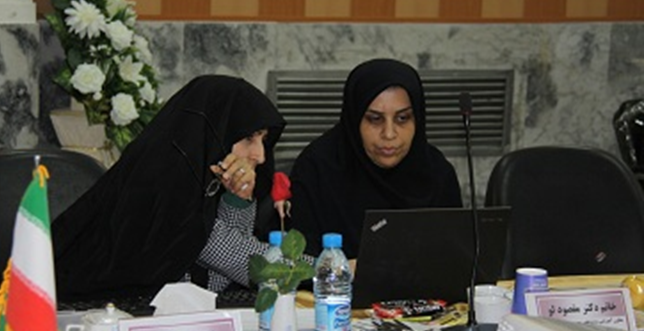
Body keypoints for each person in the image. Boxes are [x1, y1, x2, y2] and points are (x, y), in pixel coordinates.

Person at [53, 75, 287, 302]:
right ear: (217, 131)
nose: (260, 156)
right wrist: (308, 269)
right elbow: (251, 265)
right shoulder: (163, 181)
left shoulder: (207, 181)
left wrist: (237, 198)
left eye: (263, 140)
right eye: (249, 138)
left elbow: (219, 282)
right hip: (85, 313)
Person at [289, 58, 462, 257]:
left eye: (402, 118)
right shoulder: (316, 170)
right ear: (354, 119)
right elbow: (295, 262)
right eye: (375, 119)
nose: (389, 134)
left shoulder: (437, 173)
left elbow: (457, 258)